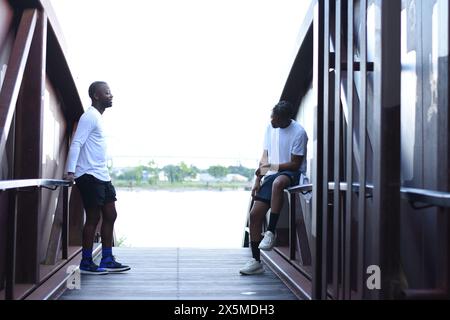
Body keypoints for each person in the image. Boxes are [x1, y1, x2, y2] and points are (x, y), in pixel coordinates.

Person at [65, 81, 130, 275]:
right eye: (107, 93)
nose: (111, 95)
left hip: (102, 175)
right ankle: (86, 262)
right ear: (96, 96)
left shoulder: (98, 118)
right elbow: (76, 143)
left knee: (111, 214)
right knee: (93, 217)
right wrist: (70, 172)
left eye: (110, 92)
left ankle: (107, 259)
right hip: (89, 174)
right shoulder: (89, 117)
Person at [240, 100, 308, 275]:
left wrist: (273, 167)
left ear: (286, 119)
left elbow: (295, 164)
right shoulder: (270, 128)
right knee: (254, 216)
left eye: (276, 119)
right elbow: (265, 156)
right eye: (272, 117)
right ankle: (256, 262)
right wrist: (257, 180)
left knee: (278, 183)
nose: (272, 121)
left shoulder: (299, 132)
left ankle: (271, 232)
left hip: (291, 174)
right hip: (271, 173)